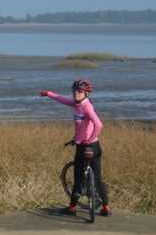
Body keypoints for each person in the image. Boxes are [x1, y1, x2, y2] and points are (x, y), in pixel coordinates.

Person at [40, 78, 111, 216]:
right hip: (95, 147)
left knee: (78, 177)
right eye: (74, 91)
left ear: (86, 93)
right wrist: (48, 93)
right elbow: (61, 99)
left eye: (79, 91)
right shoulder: (76, 104)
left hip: (86, 147)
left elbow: (99, 125)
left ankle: (72, 208)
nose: (76, 94)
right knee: (97, 178)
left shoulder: (86, 106)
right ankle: (105, 208)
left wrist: (88, 140)